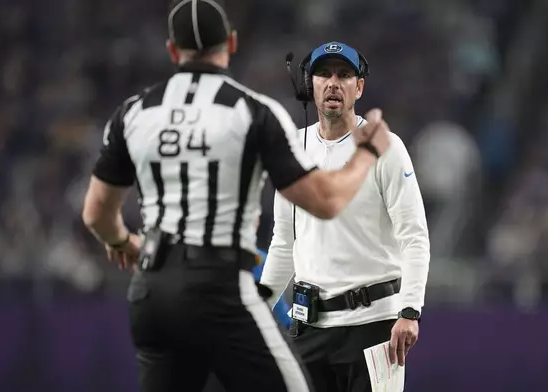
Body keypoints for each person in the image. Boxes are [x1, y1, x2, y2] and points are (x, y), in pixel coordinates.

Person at [80, 1, 392, 390]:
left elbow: (95, 213)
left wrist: (123, 241)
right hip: (219, 287)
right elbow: (325, 201)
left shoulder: (134, 112)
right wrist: (367, 154)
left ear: (172, 51)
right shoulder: (252, 111)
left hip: (151, 289)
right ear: (231, 42)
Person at [260, 41, 431, 392]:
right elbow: (284, 242)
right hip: (308, 328)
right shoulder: (291, 147)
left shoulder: (386, 146)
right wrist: (258, 308)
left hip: (374, 325)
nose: (333, 82)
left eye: (344, 74)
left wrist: (410, 310)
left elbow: (413, 235)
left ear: (359, 87)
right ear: (311, 85)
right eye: (324, 74)